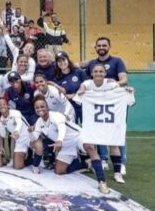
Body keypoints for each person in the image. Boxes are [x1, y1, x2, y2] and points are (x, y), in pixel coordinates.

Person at [81, 37, 129, 174]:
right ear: (95, 47)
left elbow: (124, 80)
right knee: (99, 129)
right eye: (99, 45)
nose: (102, 47)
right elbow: (84, 76)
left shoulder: (117, 61)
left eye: (104, 45)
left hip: (114, 102)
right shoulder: (92, 63)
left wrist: (113, 85)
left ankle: (122, 162)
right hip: (97, 103)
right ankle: (103, 160)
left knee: (118, 130)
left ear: (109, 46)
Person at [76, 63, 127, 183]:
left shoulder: (111, 83)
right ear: (92, 73)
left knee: (113, 144)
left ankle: (117, 173)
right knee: (91, 144)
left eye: (101, 71)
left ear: (105, 73)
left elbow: (121, 91)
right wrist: (82, 92)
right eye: (96, 71)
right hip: (93, 120)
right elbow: (80, 93)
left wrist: (127, 90)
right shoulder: (87, 84)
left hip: (110, 119)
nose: (98, 73)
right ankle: (97, 166)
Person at [29, 95, 84, 175]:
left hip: (77, 137)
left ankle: (101, 176)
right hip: (66, 145)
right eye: (37, 108)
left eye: (42, 106)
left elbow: (62, 128)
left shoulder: (56, 115)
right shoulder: (39, 121)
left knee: (88, 148)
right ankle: (85, 163)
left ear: (47, 107)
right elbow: (34, 138)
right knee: (58, 171)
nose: (40, 109)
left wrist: (59, 141)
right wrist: (30, 132)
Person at [52, 51, 87, 124]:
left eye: (63, 60)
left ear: (68, 60)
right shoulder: (57, 78)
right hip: (68, 108)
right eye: (59, 61)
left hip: (83, 106)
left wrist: (74, 95)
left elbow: (88, 86)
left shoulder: (79, 72)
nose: (62, 63)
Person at [0, 97, 30, 169]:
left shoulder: (15, 112)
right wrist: (2, 125)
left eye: (4, 104)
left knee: (36, 145)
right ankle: (23, 159)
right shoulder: (1, 119)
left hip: (29, 136)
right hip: (19, 141)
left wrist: (16, 131)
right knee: (17, 166)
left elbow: (19, 123)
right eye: (0, 105)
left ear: (7, 105)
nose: (2, 106)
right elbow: (3, 134)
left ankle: (36, 156)